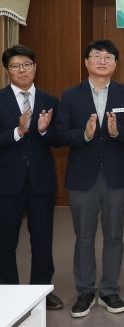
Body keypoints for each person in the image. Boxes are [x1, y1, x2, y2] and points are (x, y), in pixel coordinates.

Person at [55, 39, 124, 318]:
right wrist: (85, 134)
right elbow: (60, 134)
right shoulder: (70, 95)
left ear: (115, 63)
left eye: (108, 57)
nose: (103, 61)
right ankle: (85, 291)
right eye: (97, 56)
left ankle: (109, 290)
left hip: (117, 176)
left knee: (114, 235)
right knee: (84, 237)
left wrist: (117, 132)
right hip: (82, 177)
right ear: (86, 62)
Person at [0, 44, 63, 310]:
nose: (22, 70)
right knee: (5, 241)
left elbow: (59, 138)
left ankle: (41, 292)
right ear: (7, 70)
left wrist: (45, 130)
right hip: (7, 182)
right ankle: (9, 294)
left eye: (27, 64)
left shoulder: (50, 100)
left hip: (41, 181)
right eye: (15, 66)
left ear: (35, 67)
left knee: (42, 240)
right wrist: (18, 131)